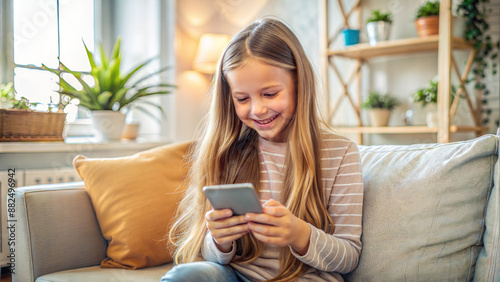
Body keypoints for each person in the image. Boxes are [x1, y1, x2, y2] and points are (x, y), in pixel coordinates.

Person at [162, 17, 363, 282]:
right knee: (189, 275)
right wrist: (219, 241)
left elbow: (348, 257)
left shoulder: (340, 153)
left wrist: (299, 234)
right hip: (236, 275)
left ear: (299, 84)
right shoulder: (227, 151)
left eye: (270, 94)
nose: (257, 109)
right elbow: (204, 254)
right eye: (242, 98)